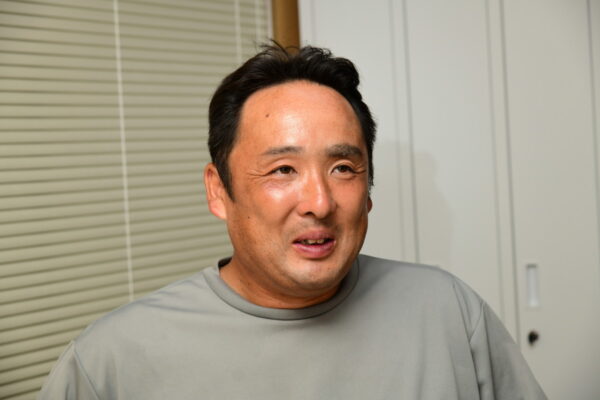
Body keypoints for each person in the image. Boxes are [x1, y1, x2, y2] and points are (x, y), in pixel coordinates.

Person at [38, 44, 546, 400]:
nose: (319, 203)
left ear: (368, 192)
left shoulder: (449, 313)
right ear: (218, 191)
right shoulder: (111, 361)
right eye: (283, 169)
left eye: (343, 168)